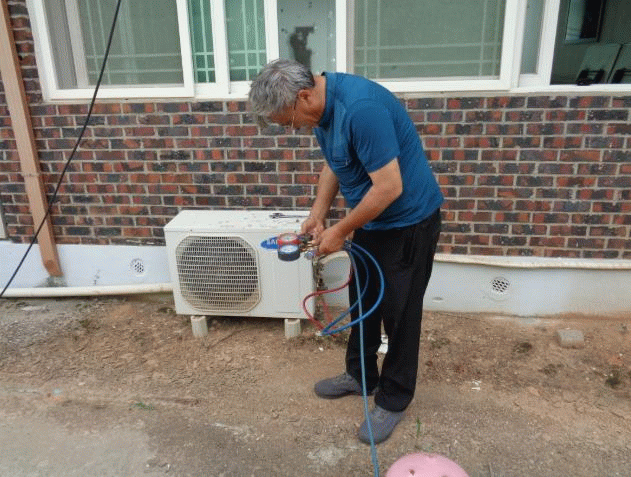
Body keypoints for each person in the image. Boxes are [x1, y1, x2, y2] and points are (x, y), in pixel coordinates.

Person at [248, 59, 443, 444]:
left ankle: (394, 399)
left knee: (399, 313)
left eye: (288, 121)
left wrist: (340, 229)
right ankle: (361, 376)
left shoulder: (361, 110)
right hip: (373, 220)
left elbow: (389, 187)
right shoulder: (323, 112)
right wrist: (318, 215)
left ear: (304, 96)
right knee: (363, 299)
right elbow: (334, 164)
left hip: (408, 222)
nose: (292, 129)